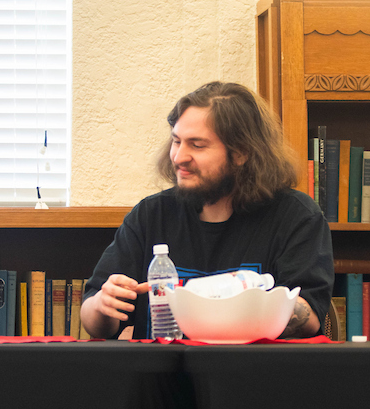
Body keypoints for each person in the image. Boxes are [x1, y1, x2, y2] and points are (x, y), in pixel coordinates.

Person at [81, 81, 334, 340]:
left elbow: (309, 317)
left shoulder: (296, 216)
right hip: (164, 376)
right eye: (176, 141)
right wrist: (103, 305)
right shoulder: (150, 214)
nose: (179, 157)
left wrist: (223, 303)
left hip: (253, 375)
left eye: (197, 145)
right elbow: (92, 317)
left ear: (241, 153)